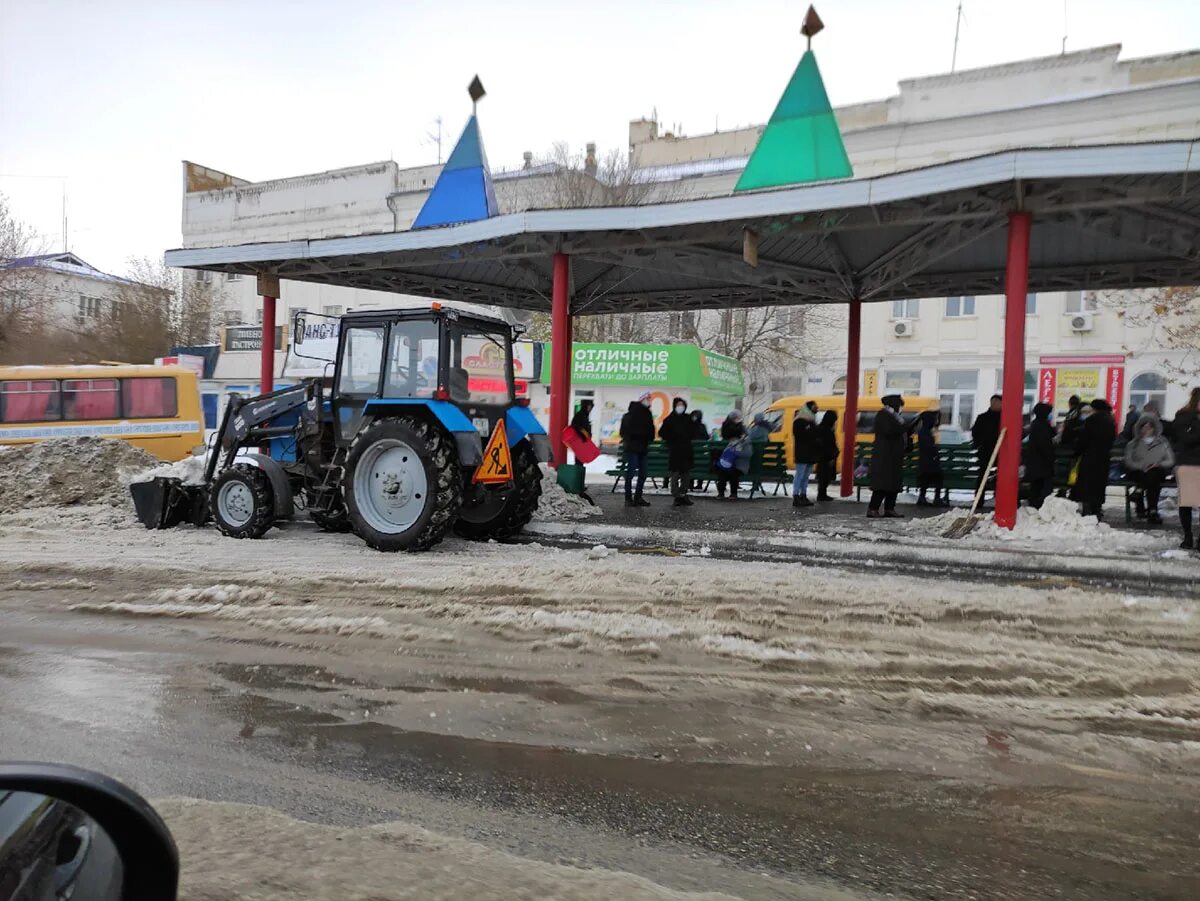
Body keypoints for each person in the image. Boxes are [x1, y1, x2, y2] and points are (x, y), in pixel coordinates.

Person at [867, 395, 914, 518]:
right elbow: (889, 431)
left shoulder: (896, 417)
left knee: (893, 484)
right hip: (885, 456)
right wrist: (904, 427)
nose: (901, 408)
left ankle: (890, 508)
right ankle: (873, 508)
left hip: (894, 456)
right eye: (899, 405)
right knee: (882, 484)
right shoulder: (883, 415)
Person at [1123, 412, 1174, 524]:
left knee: (1153, 474)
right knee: (1148, 477)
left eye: (1149, 426)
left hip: (1157, 470)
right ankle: (1152, 510)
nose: (1146, 429)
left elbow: (1170, 460)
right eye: (1143, 426)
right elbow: (1129, 461)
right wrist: (1142, 466)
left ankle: (1139, 492)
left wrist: (1158, 463)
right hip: (1138, 471)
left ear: (1154, 428)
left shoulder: (1162, 442)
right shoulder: (1133, 444)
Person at [1071, 398, 1116, 519]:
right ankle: (1097, 509)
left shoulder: (1092, 420)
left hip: (1090, 457)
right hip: (1103, 457)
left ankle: (1087, 509)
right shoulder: (1110, 421)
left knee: (1087, 484)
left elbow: (1083, 440)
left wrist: (1076, 452)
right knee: (1099, 484)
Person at [1170, 387, 1200, 550]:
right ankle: (1187, 536)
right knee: (1187, 502)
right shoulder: (1184, 416)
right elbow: (1183, 438)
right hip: (1189, 463)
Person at [619, 391, 655, 507]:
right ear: (642, 399)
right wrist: (641, 434)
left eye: (650, 399)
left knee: (643, 474)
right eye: (647, 398)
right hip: (632, 448)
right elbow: (625, 432)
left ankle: (637, 497)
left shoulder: (647, 414)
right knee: (631, 473)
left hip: (642, 448)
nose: (649, 401)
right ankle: (628, 498)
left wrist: (644, 435)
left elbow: (651, 433)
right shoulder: (631, 415)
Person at [659, 397, 695, 507]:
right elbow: (662, 433)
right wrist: (673, 437)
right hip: (675, 450)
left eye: (682, 404)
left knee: (686, 475)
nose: (680, 407)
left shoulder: (688, 418)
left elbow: (694, 431)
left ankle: (683, 494)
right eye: (678, 405)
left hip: (686, 450)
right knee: (675, 474)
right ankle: (676, 496)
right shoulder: (669, 419)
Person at [970, 395, 1002, 509]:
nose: (995, 404)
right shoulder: (982, 418)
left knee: (1002, 475)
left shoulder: (1004, 418)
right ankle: (978, 500)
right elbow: (975, 433)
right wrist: (979, 445)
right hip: (985, 452)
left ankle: (1000, 499)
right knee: (982, 476)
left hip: (1001, 453)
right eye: (993, 402)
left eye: (997, 402)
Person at [1023, 402, 1056, 509]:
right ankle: (1039, 506)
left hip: (1035, 462)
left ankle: (1035, 504)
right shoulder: (1042, 425)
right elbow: (1044, 444)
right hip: (1042, 462)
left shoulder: (1036, 424)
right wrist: (1051, 457)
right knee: (1041, 486)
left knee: (1036, 485)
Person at [916, 411, 947, 507]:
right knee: (938, 476)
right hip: (929, 462)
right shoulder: (925, 432)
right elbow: (929, 447)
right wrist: (935, 452)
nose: (935, 421)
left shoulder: (924, 431)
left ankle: (922, 497)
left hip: (926, 462)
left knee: (927, 478)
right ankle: (936, 498)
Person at [1055, 395, 1084, 498]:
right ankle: (1070, 490)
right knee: (1073, 470)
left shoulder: (1072, 414)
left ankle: (1064, 490)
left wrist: (1061, 440)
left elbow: (1068, 431)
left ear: (1070, 403)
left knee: (1067, 470)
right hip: (1075, 446)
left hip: (1069, 447)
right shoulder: (1079, 414)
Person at [791, 405, 819, 508]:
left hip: (810, 452)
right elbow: (805, 435)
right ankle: (796, 496)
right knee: (800, 475)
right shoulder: (798, 422)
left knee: (806, 475)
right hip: (802, 452)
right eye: (813, 408)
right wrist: (811, 433)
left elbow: (815, 434)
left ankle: (803, 494)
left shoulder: (811, 422)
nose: (816, 410)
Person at [715, 410, 748, 499]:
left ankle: (721, 493)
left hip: (726, 461)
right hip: (733, 462)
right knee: (731, 471)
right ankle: (732, 493)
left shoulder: (726, 426)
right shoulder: (740, 428)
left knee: (724, 471)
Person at [569, 398, 596, 504]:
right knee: (579, 464)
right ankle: (578, 484)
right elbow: (577, 428)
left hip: (582, 443)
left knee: (580, 463)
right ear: (586, 406)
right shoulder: (581, 416)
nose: (590, 408)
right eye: (589, 406)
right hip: (580, 443)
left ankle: (579, 483)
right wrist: (584, 437)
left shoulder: (583, 415)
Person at [815, 410, 839, 502]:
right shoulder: (827, 430)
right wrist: (832, 455)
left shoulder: (821, 428)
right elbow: (828, 444)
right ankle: (822, 494)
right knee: (825, 476)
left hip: (824, 456)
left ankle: (822, 494)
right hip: (826, 456)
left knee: (824, 476)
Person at [689, 410, 709, 490]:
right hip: (700, 452)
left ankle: (690, 483)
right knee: (700, 465)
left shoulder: (689, 426)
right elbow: (706, 437)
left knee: (690, 466)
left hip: (691, 452)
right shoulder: (702, 426)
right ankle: (699, 484)